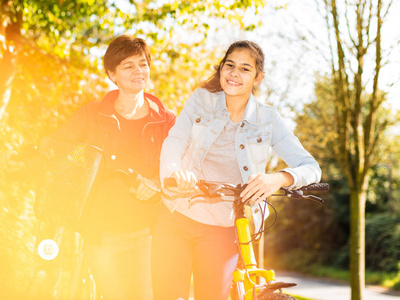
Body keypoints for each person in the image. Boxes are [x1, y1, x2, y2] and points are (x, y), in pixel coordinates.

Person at [152, 40, 321, 300]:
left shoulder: (268, 119)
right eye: (229, 65)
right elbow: (174, 142)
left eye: (245, 69)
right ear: (221, 69)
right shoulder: (200, 101)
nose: (234, 73)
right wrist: (175, 173)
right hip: (178, 214)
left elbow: (310, 167)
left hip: (223, 227)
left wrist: (277, 178)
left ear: (258, 78)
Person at [47, 35, 176, 299]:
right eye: (128, 66)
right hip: (101, 231)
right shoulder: (94, 114)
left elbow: (179, 166)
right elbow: (57, 146)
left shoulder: (166, 121)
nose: (138, 71)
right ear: (112, 74)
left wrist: (156, 183)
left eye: (143, 64)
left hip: (148, 232)